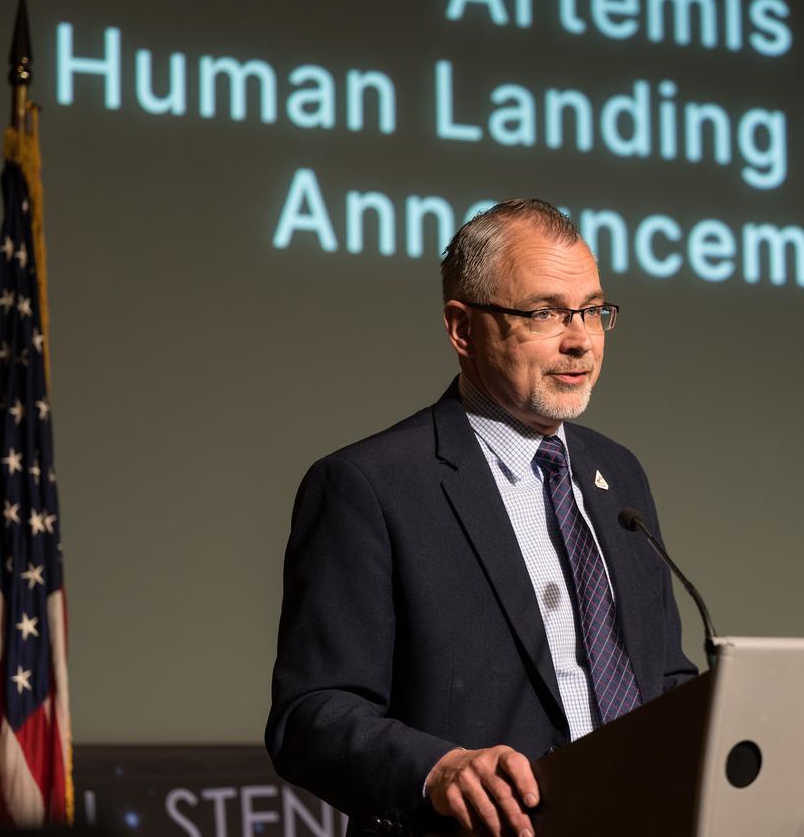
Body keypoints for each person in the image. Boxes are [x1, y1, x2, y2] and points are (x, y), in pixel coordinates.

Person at [266, 199, 697, 837]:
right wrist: (438, 768)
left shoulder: (617, 474)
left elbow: (661, 677)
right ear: (463, 329)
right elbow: (311, 715)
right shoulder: (371, 487)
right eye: (545, 312)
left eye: (592, 310)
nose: (579, 337)